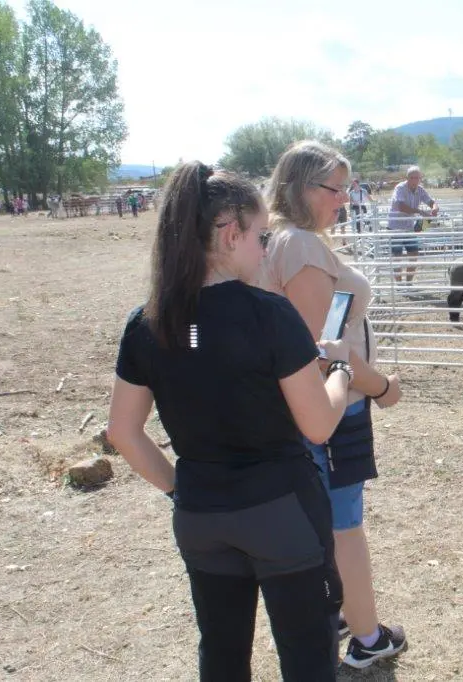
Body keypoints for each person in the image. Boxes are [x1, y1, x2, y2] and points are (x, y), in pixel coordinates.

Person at [106, 162, 352, 680]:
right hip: (281, 511)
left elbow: (123, 432)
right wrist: (343, 372)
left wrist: (181, 489)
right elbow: (318, 426)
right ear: (229, 232)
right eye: (261, 236)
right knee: (309, 656)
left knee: (220, 652)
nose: (265, 250)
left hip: (201, 516)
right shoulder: (268, 314)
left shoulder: (148, 321)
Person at [260, 140, 407, 670]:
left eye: (346, 187)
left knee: (327, 516)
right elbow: (322, 349)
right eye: (335, 188)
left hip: (315, 401)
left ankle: (345, 610)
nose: (344, 199)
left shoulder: (281, 239)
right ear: (303, 187)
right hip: (333, 403)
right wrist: (381, 386)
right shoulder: (298, 245)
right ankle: (367, 638)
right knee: (345, 524)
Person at [387, 166, 438, 284]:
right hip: (395, 227)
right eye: (412, 178)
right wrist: (419, 211)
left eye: (417, 178)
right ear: (407, 178)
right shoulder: (400, 188)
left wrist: (435, 208)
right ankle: (399, 285)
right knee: (397, 257)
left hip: (409, 227)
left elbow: (431, 202)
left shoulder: (420, 190)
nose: (415, 180)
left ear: (420, 178)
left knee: (414, 255)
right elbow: (401, 206)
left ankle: (408, 283)